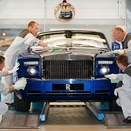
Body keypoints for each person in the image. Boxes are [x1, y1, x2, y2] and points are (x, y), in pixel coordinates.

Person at [1, 21, 50, 104]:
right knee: (7, 79)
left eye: (38, 28)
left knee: (11, 79)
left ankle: (10, 100)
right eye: (36, 28)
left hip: (14, 58)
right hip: (10, 58)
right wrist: (49, 46)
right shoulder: (27, 34)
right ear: (30, 27)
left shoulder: (26, 35)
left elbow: (32, 47)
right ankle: (7, 102)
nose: (37, 30)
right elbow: (36, 42)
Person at [105, 54, 131, 124]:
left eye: (117, 63)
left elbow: (127, 89)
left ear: (119, 63)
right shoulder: (129, 68)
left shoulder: (127, 72)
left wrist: (118, 90)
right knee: (119, 101)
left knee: (122, 93)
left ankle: (129, 116)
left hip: (129, 91)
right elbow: (126, 77)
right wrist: (116, 76)